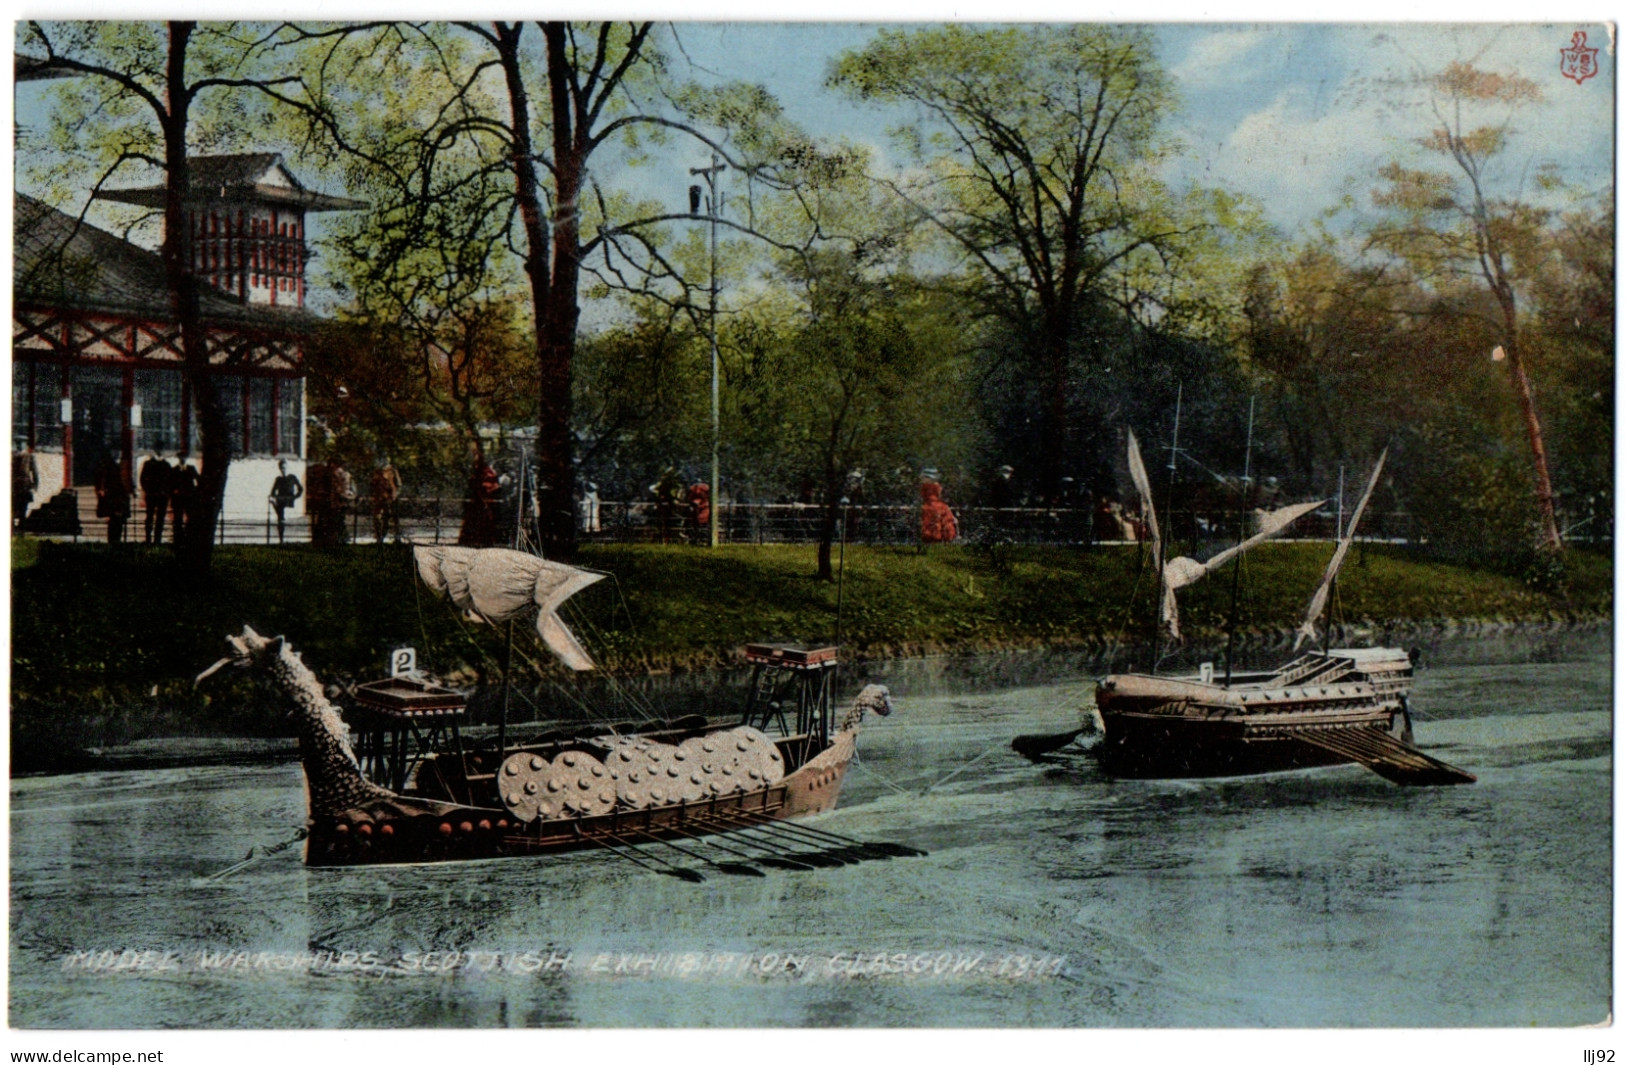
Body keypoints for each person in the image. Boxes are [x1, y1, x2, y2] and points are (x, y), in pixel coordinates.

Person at [458, 454, 502, 547]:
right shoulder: (478, 473)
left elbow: (491, 487)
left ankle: (483, 542)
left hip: (483, 504)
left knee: (483, 523)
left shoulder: (487, 473)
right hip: (476, 505)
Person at [94, 451, 132, 545]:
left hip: (122, 495)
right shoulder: (107, 464)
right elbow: (100, 478)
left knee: (120, 518)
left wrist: (131, 489)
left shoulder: (124, 464)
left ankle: (117, 540)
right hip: (112, 494)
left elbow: (127, 479)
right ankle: (113, 540)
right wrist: (101, 489)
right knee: (113, 519)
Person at [139, 454, 173, 544]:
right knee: (155, 518)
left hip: (156, 495)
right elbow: (143, 479)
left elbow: (143, 479)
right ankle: (153, 539)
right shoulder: (166, 465)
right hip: (158, 495)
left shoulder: (149, 464)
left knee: (155, 517)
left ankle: (152, 539)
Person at [269, 459, 303, 545]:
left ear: (286, 467)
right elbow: (273, 492)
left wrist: (295, 497)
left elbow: (300, 489)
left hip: (289, 500)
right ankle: (281, 539)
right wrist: (275, 497)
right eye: (281, 468)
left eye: (284, 467)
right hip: (281, 501)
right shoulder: (278, 479)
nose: (282, 470)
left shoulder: (292, 477)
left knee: (281, 514)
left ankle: (283, 536)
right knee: (280, 517)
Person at [920, 475, 958, 547]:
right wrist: (949, 537)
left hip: (924, 539)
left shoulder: (922, 507)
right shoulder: (943, 507)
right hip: (938, 540)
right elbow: (948, 524)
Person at [369, 458, 401, 544]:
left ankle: (396, 537)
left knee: (392, 518)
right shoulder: (377, 473)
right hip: (379, 499)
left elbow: (398, 485)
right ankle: (380, 538)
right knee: (377, 519)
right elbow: (372, 485)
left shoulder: (392, 472)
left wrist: (394, 495)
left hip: (390, 499)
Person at [170, 460, 200, 544]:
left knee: (190, 518)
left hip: (188, 497)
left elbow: (198, 479)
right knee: (178, 519)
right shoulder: (174, 469)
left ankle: (188, 537)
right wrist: (173, 490)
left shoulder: (191, 468)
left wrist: (194, 491)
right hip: (178, 498)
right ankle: (178, 538)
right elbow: (169, 483)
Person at [330, 459, 357, 545]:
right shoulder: (347, 474)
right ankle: (342, 537)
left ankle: (343, 537)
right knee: (340, 519)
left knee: (338, 519)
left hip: (338, 500)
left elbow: (337, 488)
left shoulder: (336, 474)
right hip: (344, 499)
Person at [12, 445, 39, 531]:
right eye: (17, 443)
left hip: (25, 486)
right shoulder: (11, 455)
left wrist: (35, 485)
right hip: (13, 486)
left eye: (21, 443)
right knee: (13, 507)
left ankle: (21, 529)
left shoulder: (29, 456)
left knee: (23, 508)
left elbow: (35, 472)